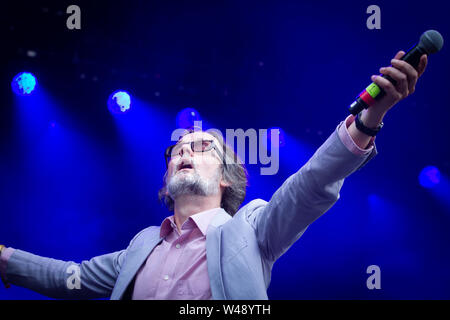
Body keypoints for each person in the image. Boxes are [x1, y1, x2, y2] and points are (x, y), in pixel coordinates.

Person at [0, 51, 428, 300]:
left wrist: (372, 115)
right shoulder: (141, 246)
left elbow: (312, 182)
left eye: (202, 147)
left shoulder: (254, 225)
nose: (185, 150)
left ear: (227, 178)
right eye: (177, 150)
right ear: (167, 177)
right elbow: (68, 277)